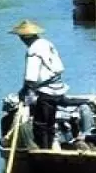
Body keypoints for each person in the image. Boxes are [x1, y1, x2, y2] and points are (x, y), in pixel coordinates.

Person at [11, 20, 68, 150]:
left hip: (46, 91)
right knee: (50, 123)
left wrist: (23, 91)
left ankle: (44, 151)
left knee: (40, 124)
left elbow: (31, 77)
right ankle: (49, 148)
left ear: (25, 37)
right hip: (57, 88)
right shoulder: (47, 43)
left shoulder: (33, 50)